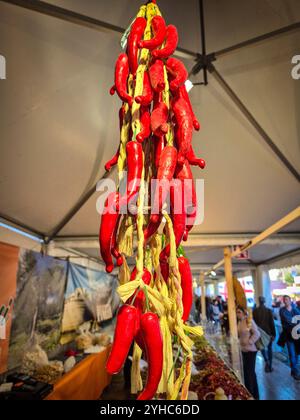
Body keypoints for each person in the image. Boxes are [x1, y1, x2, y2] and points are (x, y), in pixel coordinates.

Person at [237, 306, 260, 400]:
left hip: (251, 351)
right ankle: (255, 396)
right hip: (243, 350)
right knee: (250, 374)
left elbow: (257, 333)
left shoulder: (248, 321)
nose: (237, 314)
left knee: (248, 374)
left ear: (243, 312)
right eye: (237, 312)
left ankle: (249, 395)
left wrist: (249, 342)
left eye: (239, 312)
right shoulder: (239, 322)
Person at [279, 295, 300, 381]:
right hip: (288, 336)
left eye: (287, 299)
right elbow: (287, 320)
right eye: (284, 300)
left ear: (290, 300)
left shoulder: (295, 309)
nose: (285, 301)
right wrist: (295, 322)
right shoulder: (282, 311)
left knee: (297, 354)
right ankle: (295, 372)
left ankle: (294, 370)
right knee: (291, 354)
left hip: (297, 335)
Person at [253, 296, 276, 373]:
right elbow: (272, 323)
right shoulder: (268, 311)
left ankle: (266, 361)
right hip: (268, 332)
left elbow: (254, 324)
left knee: (262, 347)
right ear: (264, 301)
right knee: (269, 349)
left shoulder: (255, 311)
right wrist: (274, 334)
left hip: (259, 332)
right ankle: (270, 365)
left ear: (259, 301)